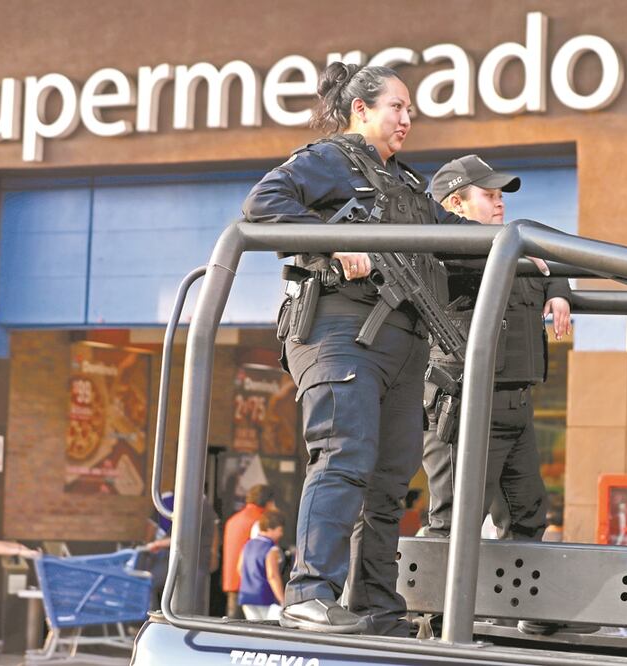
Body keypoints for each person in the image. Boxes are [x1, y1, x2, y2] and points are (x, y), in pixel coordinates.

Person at [242, 62, 478, 635]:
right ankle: (308, 592)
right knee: (344, 455)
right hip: (341, 332)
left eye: (411, 110)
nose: (407, 119)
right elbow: (262, 203)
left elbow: (458, 239)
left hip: (403, 346)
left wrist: (543, 276)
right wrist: (334, 244)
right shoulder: (330, 160)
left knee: (391, 478)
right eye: (397, 107)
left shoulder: (409, 185)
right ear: (361, 110)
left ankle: (374, 603)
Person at [422, 155, 572, 541]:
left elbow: (551, 267)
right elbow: (456, 260)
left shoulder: (514, 247)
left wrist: (558, 292)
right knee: (454, 522)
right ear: (456, 204)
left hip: (516, 405)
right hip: (468, 405)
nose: (501, 203)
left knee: (529, 518)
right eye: (489, 196)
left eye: (500, 196)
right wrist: (518, 249)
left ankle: (497, 604)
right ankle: (434, 605)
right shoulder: (442, 250)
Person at [144, 491, 218, 614]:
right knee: (152, 582)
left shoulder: (200, 505)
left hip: (196, 560)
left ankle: (185, 625)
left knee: (192, 600)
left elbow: (185, 536)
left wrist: (157, 544)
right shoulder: (181, 506)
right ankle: (162, 618)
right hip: (181, 558)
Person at [222, 484, 275, 619]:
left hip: (232, 580)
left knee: (233, 624)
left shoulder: (232, 520)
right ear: (268, 502)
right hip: (252, 584)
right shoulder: (261, 522)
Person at [237, 509, 286, 621]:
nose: (281, 534)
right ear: (270, 529)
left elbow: (240, 568)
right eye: (280, 530)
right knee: (269, 631)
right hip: (265, 597)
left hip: (246, 595)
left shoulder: (248, 544)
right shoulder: (271, 549)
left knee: (253, 630)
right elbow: (272, 575)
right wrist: (282, 599)